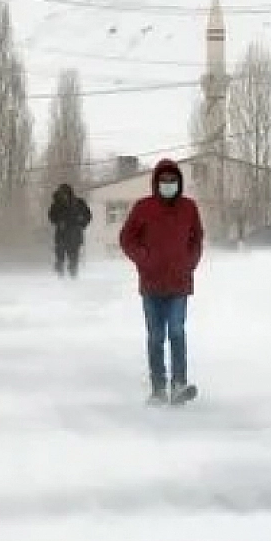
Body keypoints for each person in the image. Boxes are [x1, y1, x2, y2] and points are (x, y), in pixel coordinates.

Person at [117, 158, 204, 404]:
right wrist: (143, 259)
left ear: (179, 182)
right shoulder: (143, 208)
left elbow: (197, 238)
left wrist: (190, 262)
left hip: (179, 284)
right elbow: (126, 238)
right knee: (156, 336)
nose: (168, 184)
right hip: (151, 284)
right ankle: (158, 388)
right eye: (164, 181)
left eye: (172, 180)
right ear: (156, 182)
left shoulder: (189, 208)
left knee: (176, 332)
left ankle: (179, 383)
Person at [47, 184, 93, 278]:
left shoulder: (79, 203)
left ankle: (73, 278)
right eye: (61, 193)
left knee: (73, 259)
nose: (63, 196)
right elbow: (51, 216)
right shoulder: (56, 204)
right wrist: (58, 221)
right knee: (60, 258)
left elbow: (88, 216)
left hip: (75, 235)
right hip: (61, 234)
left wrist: (81, 222)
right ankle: (60, 278)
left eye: (65, 193)